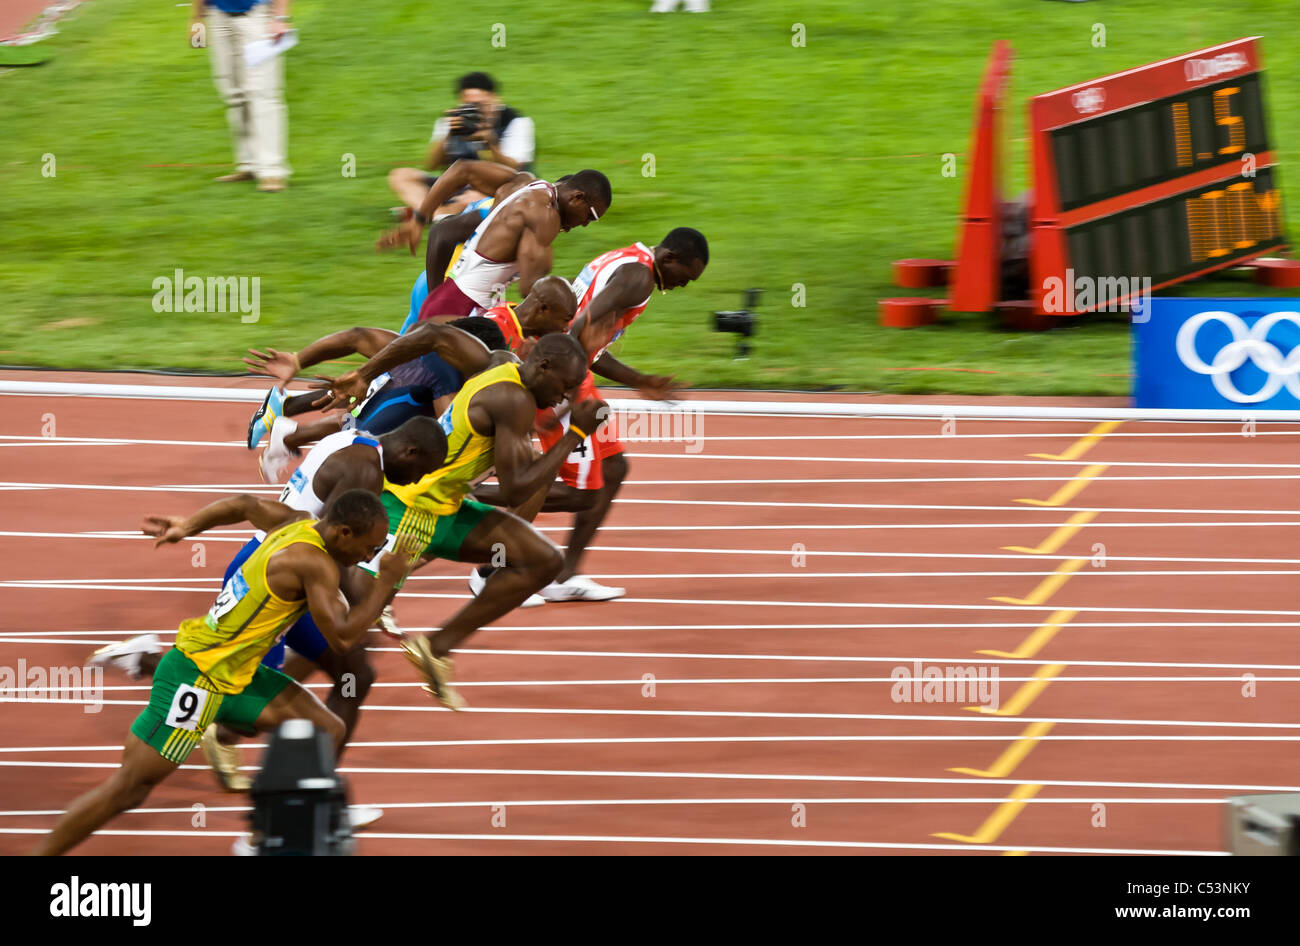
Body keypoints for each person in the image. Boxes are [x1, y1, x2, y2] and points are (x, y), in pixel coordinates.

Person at [36, 490, 411, 855]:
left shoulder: (297, 521)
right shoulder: (314, 563)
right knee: (128, 791)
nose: (369, 556)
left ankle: (263, 835)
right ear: (343, 532)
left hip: (239, 676)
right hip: (197, 677)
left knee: (326, 730)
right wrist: (387, 581)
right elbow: (343, 638)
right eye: (369, 547)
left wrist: (189, 524)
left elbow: (244, 504)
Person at [90, 418, 447, 800]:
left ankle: (317, 794)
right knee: (245, 688)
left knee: (354, 672)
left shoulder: (354, 436)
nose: (413, 482)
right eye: (421, 472)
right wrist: (379, 589)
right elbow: (336, 548)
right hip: (277, 579)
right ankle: (156, 668)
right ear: (411, 452)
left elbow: (308, 525)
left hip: (275, 557)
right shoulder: (366, 473)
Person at [318, 333, 604, 708]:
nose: (564, 398)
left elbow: (434, 334)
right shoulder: (514, 401)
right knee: (348, 630)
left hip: (447, 508)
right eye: (564, 386)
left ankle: (435, 648)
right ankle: (249, 695)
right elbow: (518, 490)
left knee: (544, 559)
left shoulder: (498, 361)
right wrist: (576, 433)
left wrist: (367, 371)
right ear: (544, 366)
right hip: (409, 509)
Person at [473, 228, 709, 601]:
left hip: (568, 370)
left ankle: (565, 575)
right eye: (686, 277)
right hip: (558, 376)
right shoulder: (640, 279)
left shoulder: (629, 259)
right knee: (578, 490)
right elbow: (581, 329)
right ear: (670, 259)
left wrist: (639, 379)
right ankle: (489, 561)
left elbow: (588, 339)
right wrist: (566, 399)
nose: (682, 286)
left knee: (614, 468)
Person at [245, 318, 507, 480]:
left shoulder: (409, 344)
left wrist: (297, 359)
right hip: (357, 458)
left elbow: (356, 336)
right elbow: (449, 438)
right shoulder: (451, 378)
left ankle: (289, 436)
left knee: (359, 419)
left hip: (358, 429)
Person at [378, 159, 610, 321]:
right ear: (577, 197)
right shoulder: (544, 216)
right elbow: (532, 289)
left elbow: (445, 225)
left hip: (440, 286)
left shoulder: (519, 187)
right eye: (590, 216)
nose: (585, 224)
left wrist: (419, 219)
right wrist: (585, 286)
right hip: (459, 304)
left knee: (403, 367)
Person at [388, 72, 535, 217]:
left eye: (481, 104)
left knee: (474, 198)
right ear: (461, 100)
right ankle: (439, 214)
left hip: (501, 189)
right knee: (401, 176)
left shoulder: (515, 122)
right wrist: (448, 135)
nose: (476, 110)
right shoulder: (454, 120)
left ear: (495, 99)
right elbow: (432, 165)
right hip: (457, 185)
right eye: (470, 104)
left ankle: (427, 213)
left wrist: (490, 143)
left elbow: (514, 168)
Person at [191, 0, 292, 192]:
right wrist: (196, 18)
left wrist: (280, 18)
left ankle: (273, 171)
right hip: (218, 15)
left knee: (264, 93)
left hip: (258, 15)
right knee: (233, 93)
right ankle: (249, 165)